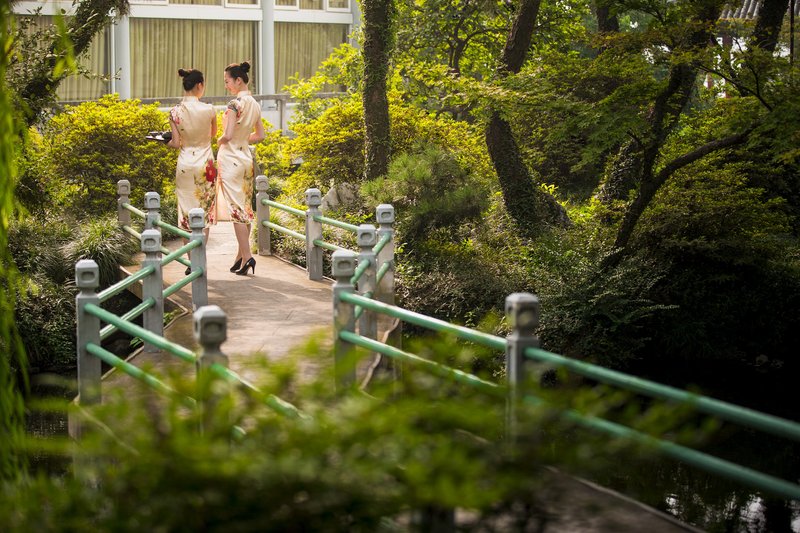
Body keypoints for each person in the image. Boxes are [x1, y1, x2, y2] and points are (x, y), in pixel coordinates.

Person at [166, 68, 217, 275]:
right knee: (205, 212)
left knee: (186, 213)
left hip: (185, 164)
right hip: (206, 164)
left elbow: (175, 143)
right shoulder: (210, 110)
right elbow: (213, 134)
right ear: (199, 85)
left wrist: (164, 141)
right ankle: (200, 259)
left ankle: (192, 262)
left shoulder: (174, 112)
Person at [217, 61, 265, 276]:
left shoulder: (234, 104)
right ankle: (240, 256)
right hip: (246, 158)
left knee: (237, 211)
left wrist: (218, 140)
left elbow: (227, 135)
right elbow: (260, 135)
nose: (226, 85)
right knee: (245, 208)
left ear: (238, 80)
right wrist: (242, 138)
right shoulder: (254, 104)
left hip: (230, 159)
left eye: (227, 81)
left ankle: (247, 256)